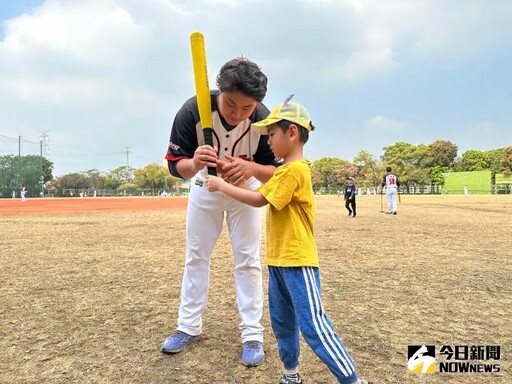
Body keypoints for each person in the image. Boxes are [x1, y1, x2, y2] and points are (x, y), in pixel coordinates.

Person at [206, 101, 371, 384]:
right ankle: (291, 375)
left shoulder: (295, 171)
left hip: (297, 261)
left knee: (313, 326)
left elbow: (258, 200)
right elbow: (253, 190)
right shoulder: (283, 172)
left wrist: (222, 187)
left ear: (292, 133)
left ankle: (352, 380)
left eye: (271, 135)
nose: (268, 141)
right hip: (279, 262)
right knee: (283, 324)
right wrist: (228, 170)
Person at [162, 57, 278, 366]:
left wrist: (250, 167)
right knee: (197, 254)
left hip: (244, 188)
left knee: (248, 258)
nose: (237, 113)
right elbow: (177, 168)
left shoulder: (265, 121)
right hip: (205, 185)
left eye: (246, 108)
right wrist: (196, 162)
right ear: (219, 91)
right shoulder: (193, 110)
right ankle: (188, 326)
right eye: (231, 104)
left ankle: (252, 334)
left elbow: (276, 170)